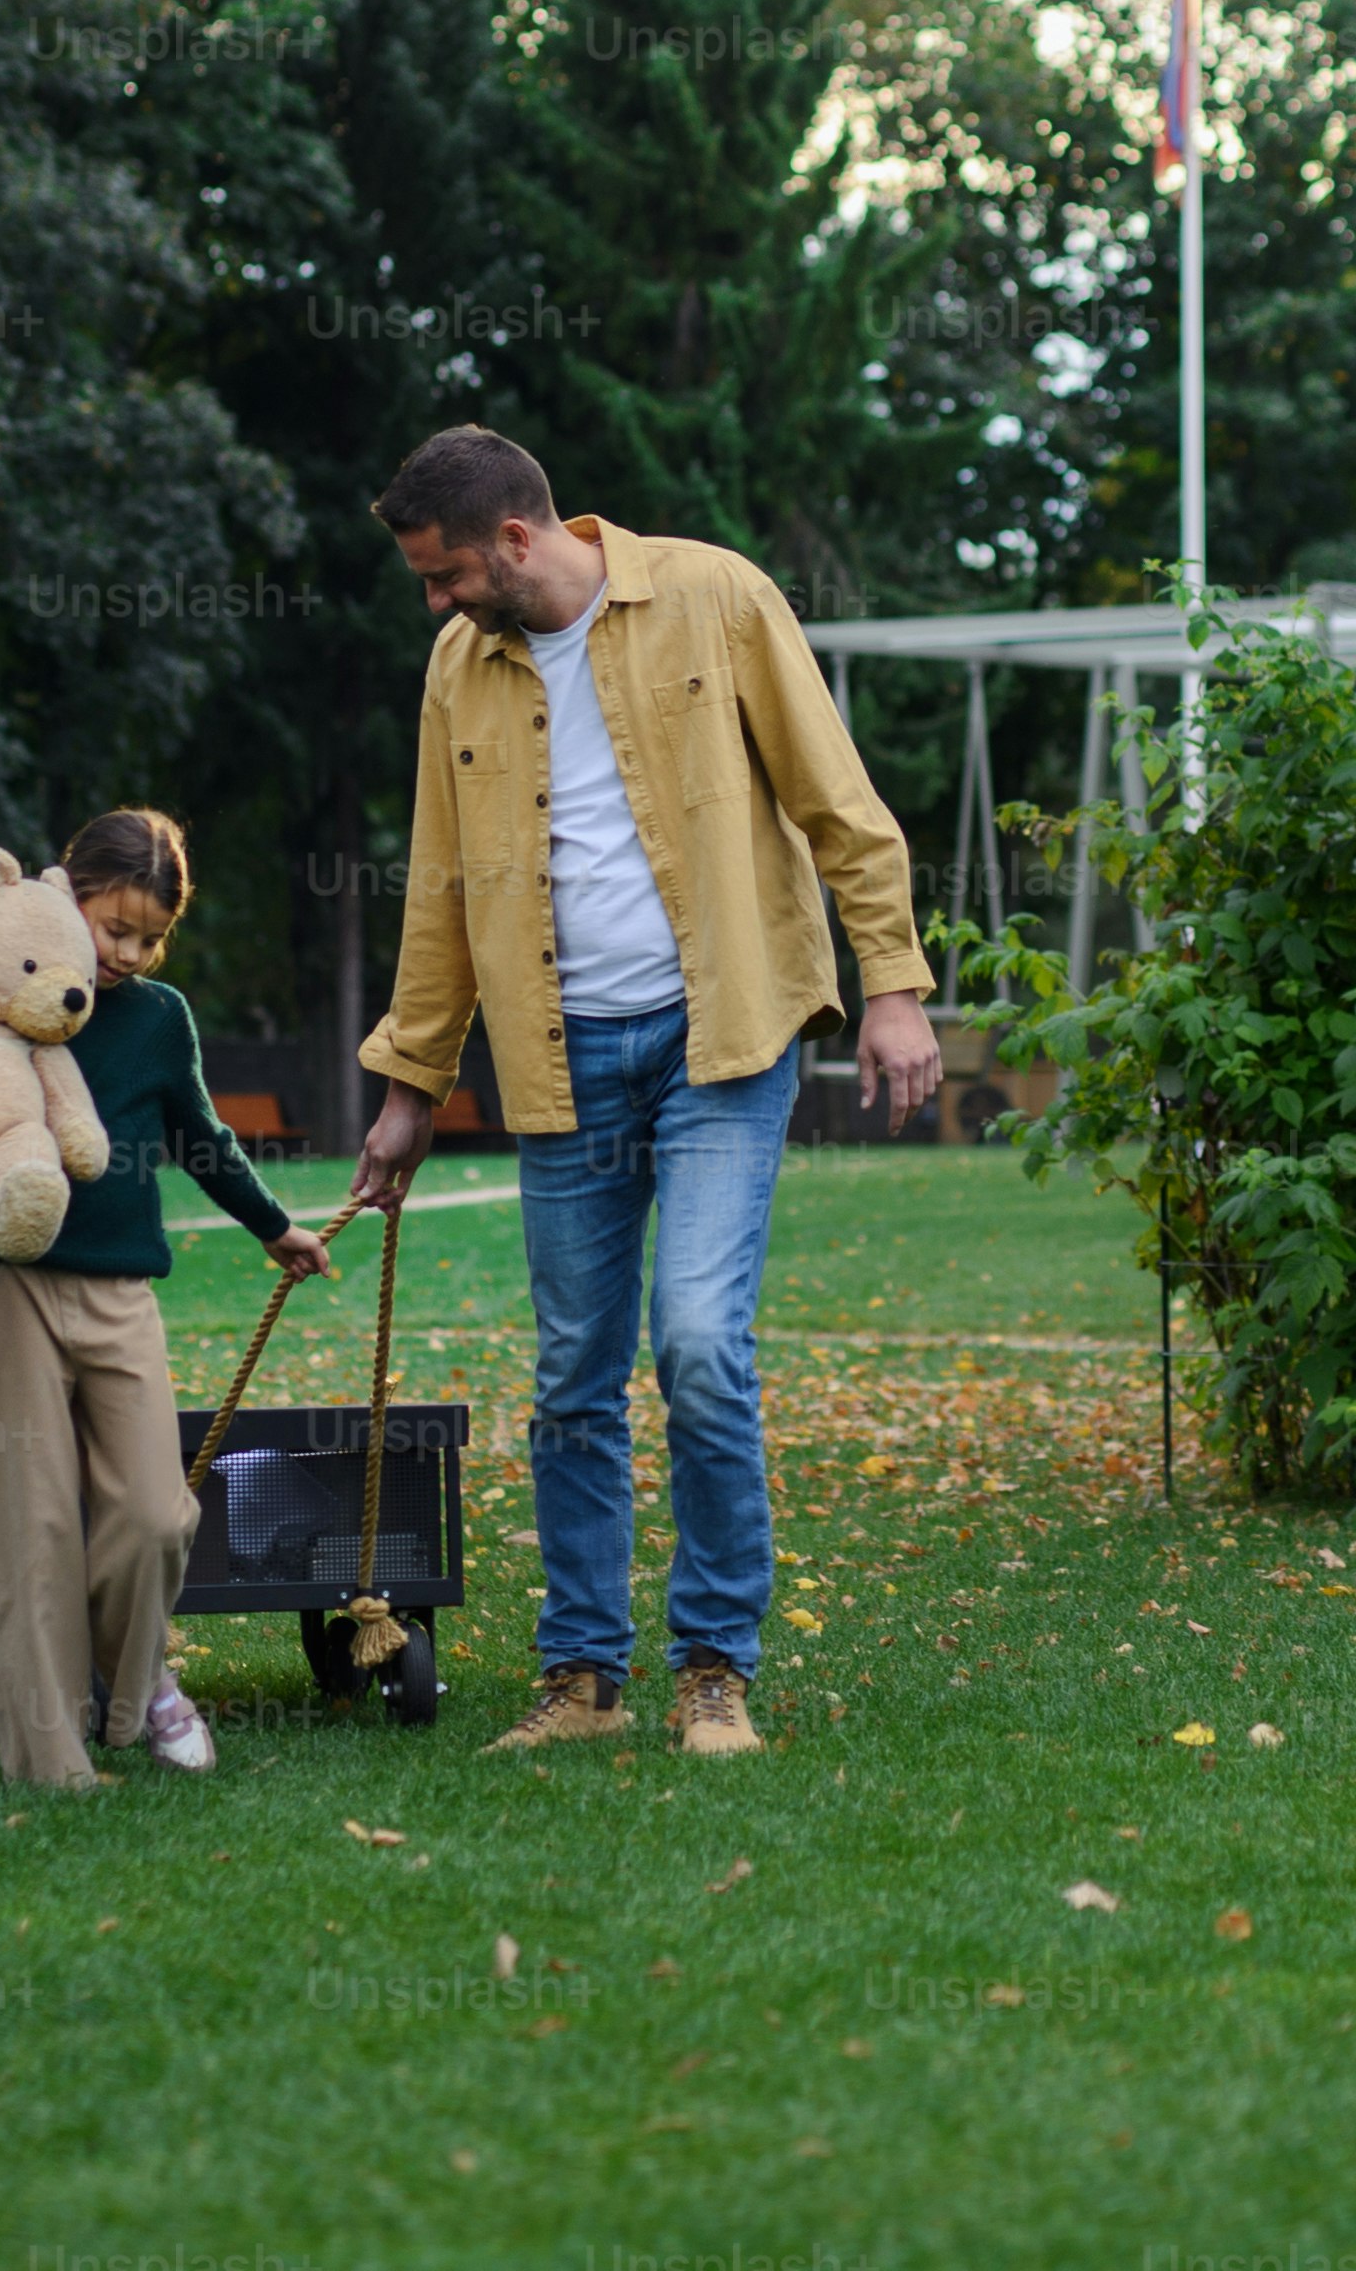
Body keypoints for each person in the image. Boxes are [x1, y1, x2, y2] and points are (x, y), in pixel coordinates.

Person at [339, 426, 940, 1760]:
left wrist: (893, 983)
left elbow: (837, 799)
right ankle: (585, 1680)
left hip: (725, 1038)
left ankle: (715, 1667)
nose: (432, 603)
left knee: (703, 1348)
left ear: (515, 540)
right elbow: (440, 889)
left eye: (442, 575)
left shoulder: (717, 597)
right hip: (560, 1062)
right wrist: (410, 1084)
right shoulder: (459, 668)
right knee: (573, 1378)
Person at [0, 808, 333, 1790]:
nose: (128, 951)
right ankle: (51, 1759)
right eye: (116, 928)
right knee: (38, 1530)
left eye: (149, 936)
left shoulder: (159, 1018)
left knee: (158, 1514)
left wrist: (271, 1223)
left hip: (119, 1294)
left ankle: (136, 1683)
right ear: (67, 894)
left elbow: (201, 1137)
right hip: (11, 1287)